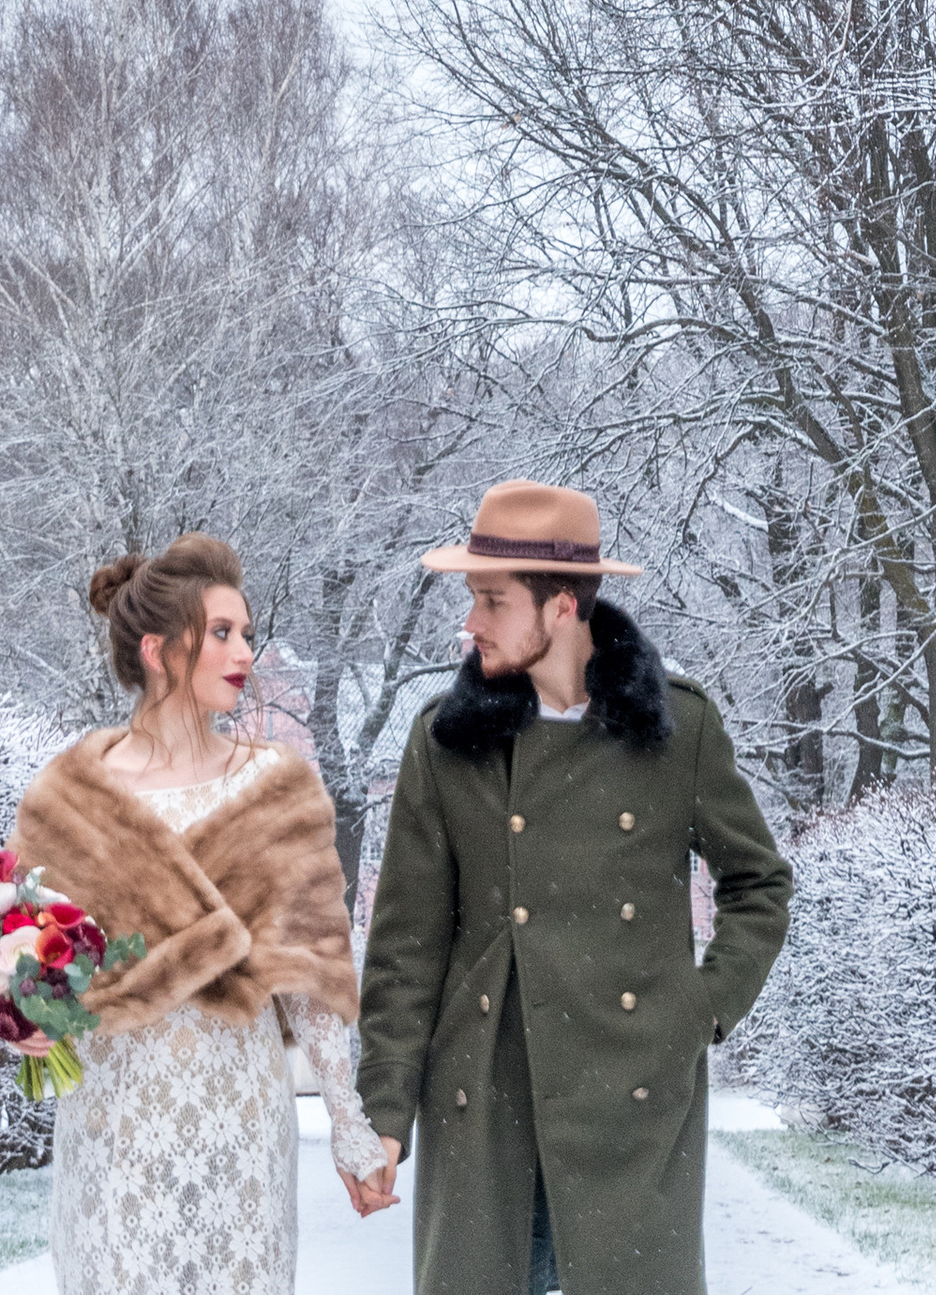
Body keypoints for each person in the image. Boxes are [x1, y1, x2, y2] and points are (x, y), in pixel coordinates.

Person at [354, 476, 794, 1295]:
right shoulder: (447, 742)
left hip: (630, 1097)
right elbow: (405, 951)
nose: (470, 622)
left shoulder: (678, 730)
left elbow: (759, 885)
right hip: (482, 1096)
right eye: (472, 599)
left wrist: (698, 1011)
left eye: (491, 601)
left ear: (561, 607)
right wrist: (382, 1118)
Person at [8, 532, 395, 1295]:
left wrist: (349, 1128)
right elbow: (27, 960)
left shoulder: (275, 788)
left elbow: (312, 984)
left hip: (240, 1120)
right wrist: (23, 1017)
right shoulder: (73, 792)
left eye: (246, 632)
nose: (243, 649)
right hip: (113, 1119)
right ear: (157, 650)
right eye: (221, 633)